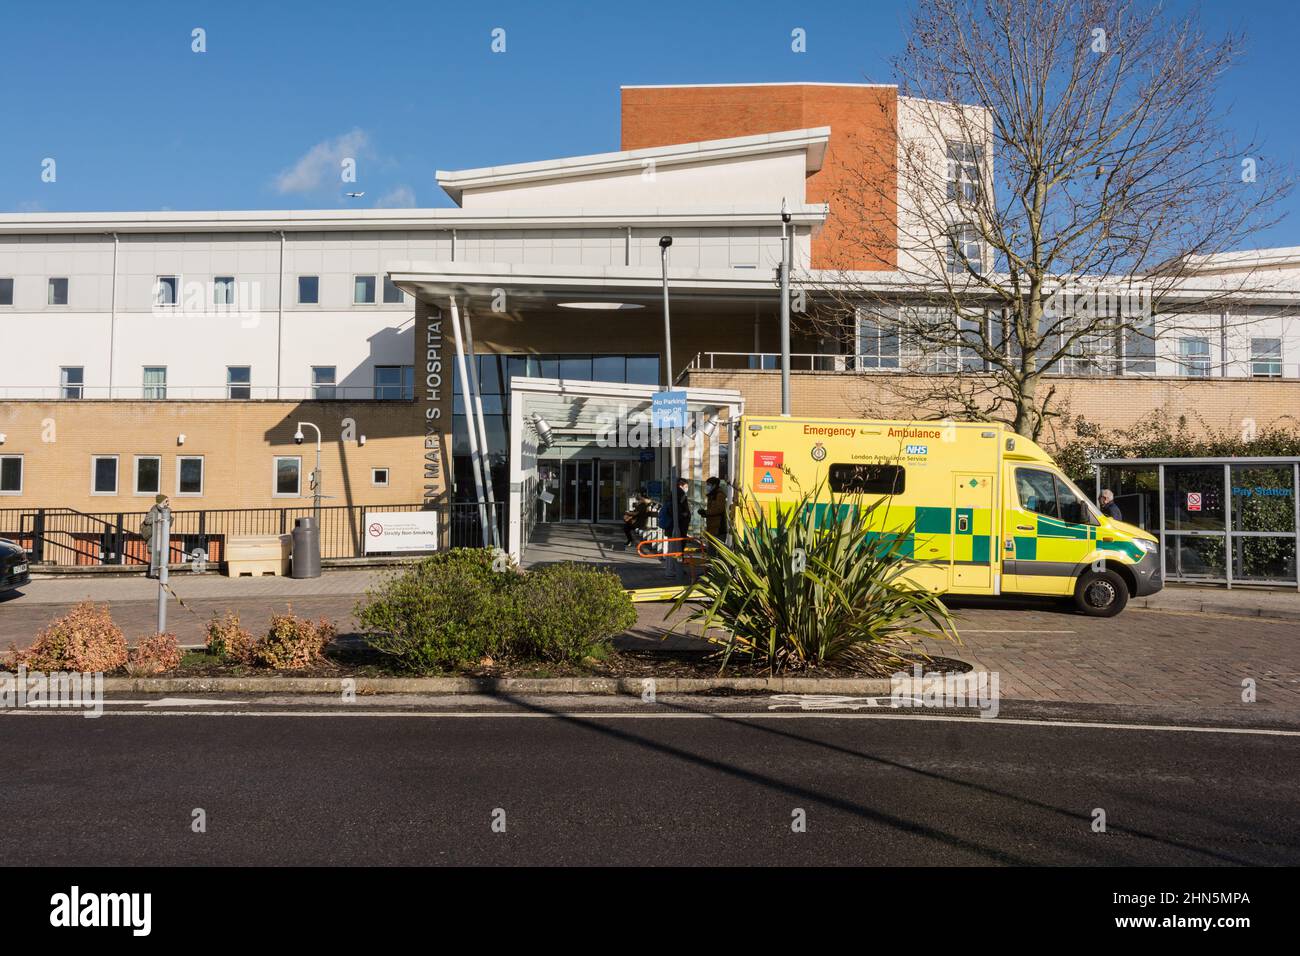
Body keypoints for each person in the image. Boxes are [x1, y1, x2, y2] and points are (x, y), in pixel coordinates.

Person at [698, 476, 728, 543]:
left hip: (719, 529)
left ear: (714, 485)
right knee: (711, 550)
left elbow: (718, 509)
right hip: (712, 529)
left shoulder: (719, 495)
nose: (707, 486)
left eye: (708, 485)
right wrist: (704, 513)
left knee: (714, 551)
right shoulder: (712, 495)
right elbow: (712, 510)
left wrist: (706, 512)